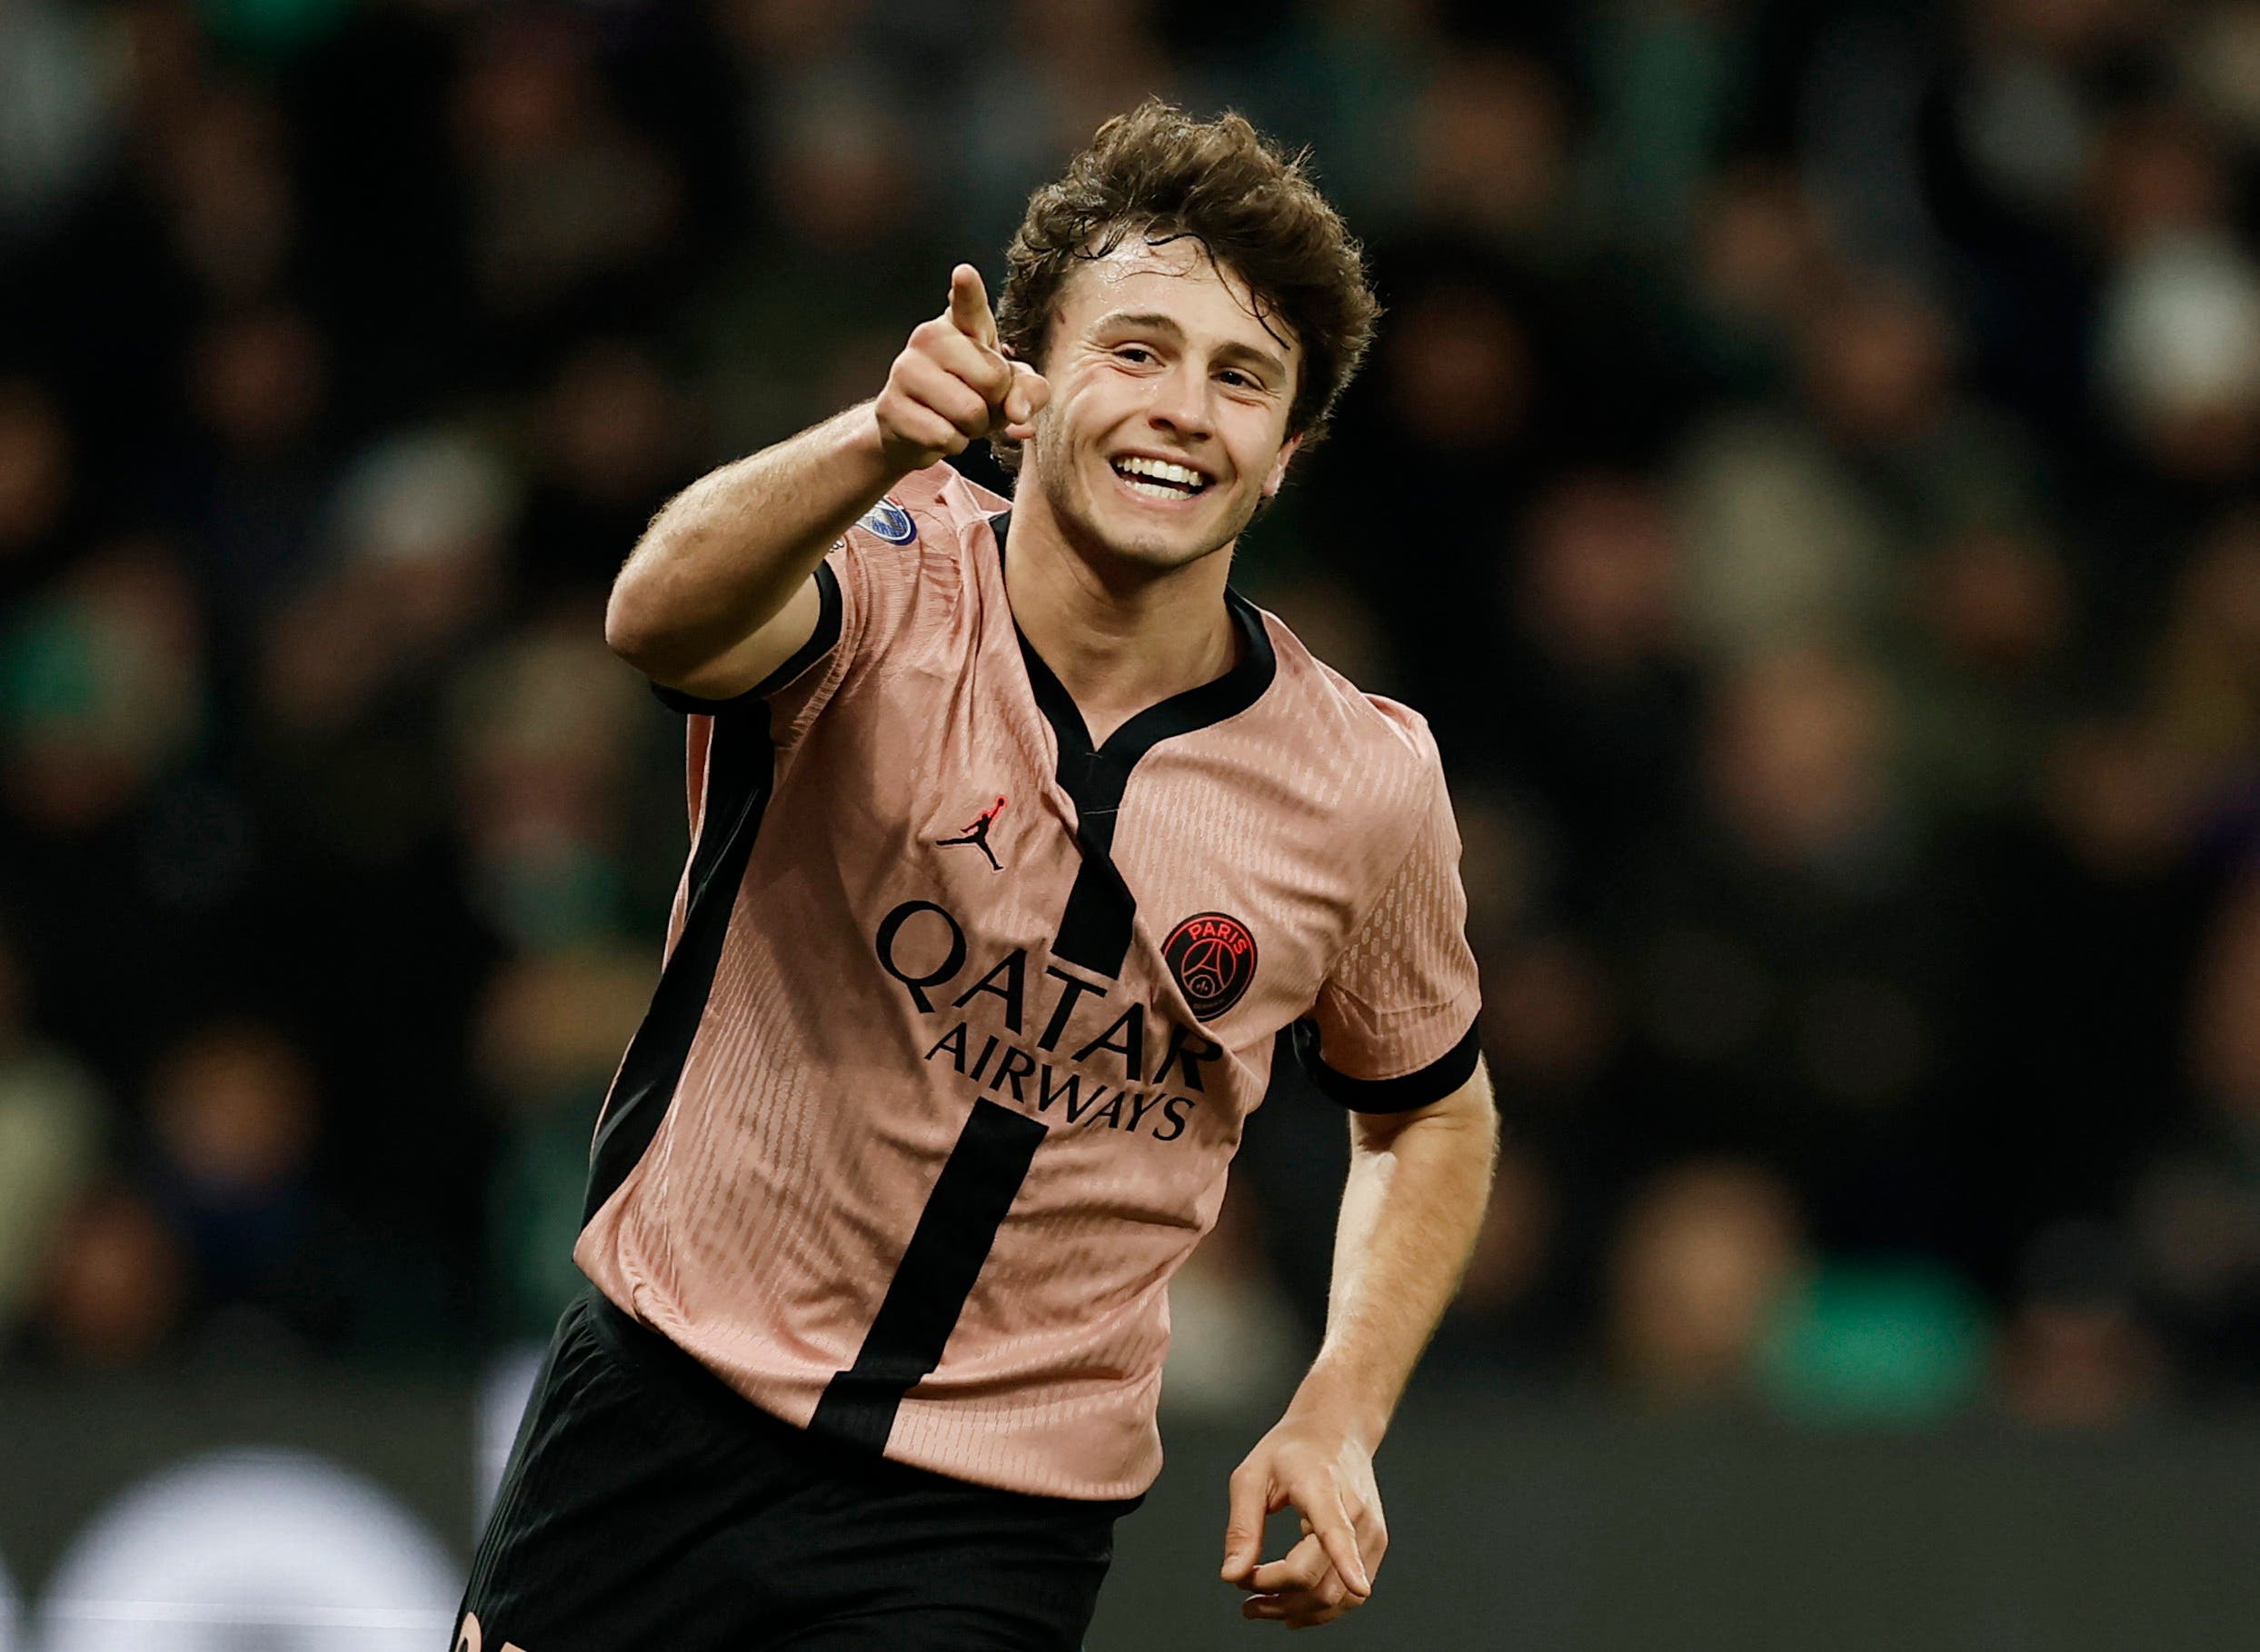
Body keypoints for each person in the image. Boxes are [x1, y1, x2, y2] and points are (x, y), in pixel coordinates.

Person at [455, 99, 1498, 1651]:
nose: (1184, 411)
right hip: (661, 1411)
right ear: (1029, 380)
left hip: (988, 1521)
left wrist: (1342, 1405)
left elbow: (1431, 1111)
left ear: (1288, 453)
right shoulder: (880, 575)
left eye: (1243, 378)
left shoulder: (1364, 782)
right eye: (1137, 349)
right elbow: (654, 618)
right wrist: (874, 436)